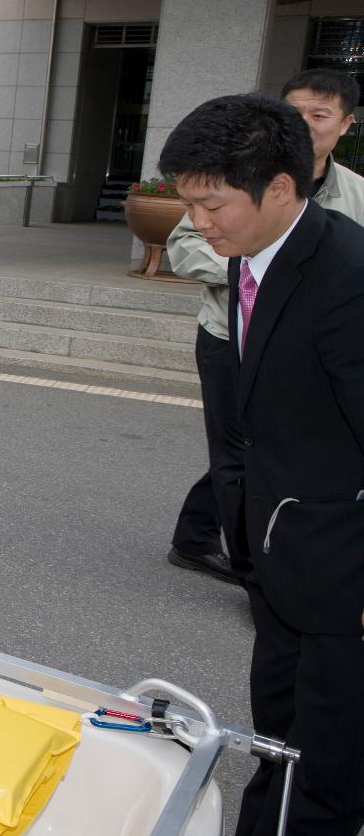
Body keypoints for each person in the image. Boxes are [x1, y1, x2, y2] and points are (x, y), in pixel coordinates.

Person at [160, 93, 364, 836]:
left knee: (326, 773)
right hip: (278, 565)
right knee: (279, 745)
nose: (198, 224)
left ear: (279, 187)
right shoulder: (254, 261)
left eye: (211, 204)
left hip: (343, 585)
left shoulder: (346, 277)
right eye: (189, 203)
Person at [165, 68, 364, 585]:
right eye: (295, 110)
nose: (199, 223)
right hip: (231, 341)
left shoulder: (347, 268)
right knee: (240, 452)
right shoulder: (243, 242)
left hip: (326, 551)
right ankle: (244, 557)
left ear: (346, 123)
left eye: (319, 114)